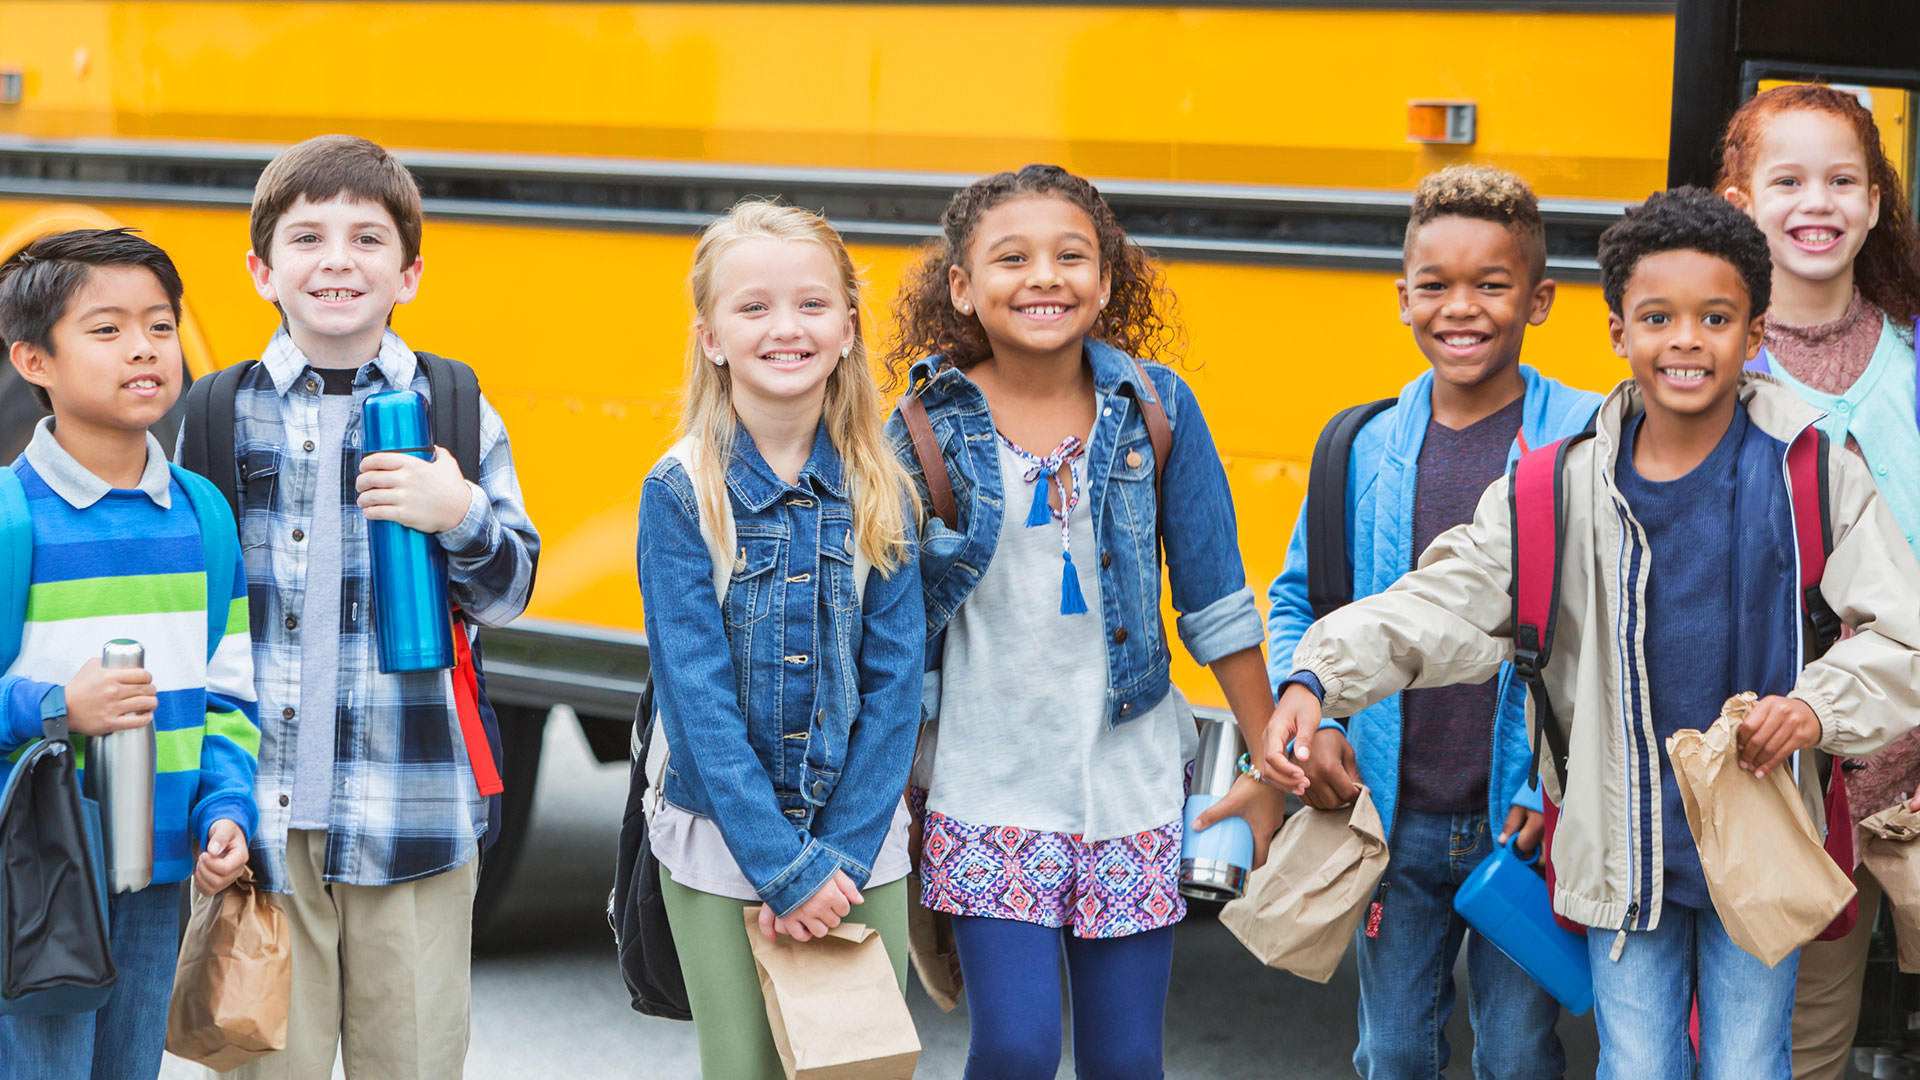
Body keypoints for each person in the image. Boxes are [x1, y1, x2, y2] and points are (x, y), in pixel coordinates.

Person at [1264, 187, 1920, 1079]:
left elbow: (1903, 633)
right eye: (1658, 317)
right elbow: (1441, 601)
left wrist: (1813, 709)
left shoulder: (1811, 471)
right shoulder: (1554, 486)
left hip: (1761, 841)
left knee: (1748, 1066)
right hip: (1615, 851)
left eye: (1715, 317)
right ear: (1618, 332)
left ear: (1755, 332)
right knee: (1638, 1066)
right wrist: (1316, 679)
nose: (1685, 339)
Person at [884, 163, 1301, 1080]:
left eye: (1071, 256)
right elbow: (886, 632)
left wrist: (1270, 768)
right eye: (1012, 258)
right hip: (986, 784)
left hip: (1130, 784)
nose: (1044, 277)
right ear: (961, 286)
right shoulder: (919, 430)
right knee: (1017, 1049)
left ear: (1107, 280)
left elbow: (1217, 601)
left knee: (1125, 1061)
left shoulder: (1156, 410)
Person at [179, 135, 539, 1078]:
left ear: (411, 272)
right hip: (259, 825)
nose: (337, 259)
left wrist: (458, 513)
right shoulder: (218, 413)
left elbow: (507, 594)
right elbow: (194, 624)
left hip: (415, 812)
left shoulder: (455, 406)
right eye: (307, 238)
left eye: (368, 239)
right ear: (261, 270)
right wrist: (197, 796)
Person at [1265, 164, 1599, 1080]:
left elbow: (1611, 629)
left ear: (1540, 299)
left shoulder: (1589, 438)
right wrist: (1322, 716)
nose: (1463, 308)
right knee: (1394, 1049)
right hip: (1392, 811)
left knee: (1521, 1051)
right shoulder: (1361, 445)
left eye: (1492, 285)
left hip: (1529, 821)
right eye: (1436, 286)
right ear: (1401, 297)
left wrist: (1555, 786)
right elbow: (1305, 598)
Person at [636, 199, 923, 1078]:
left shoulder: (887, 485)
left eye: (810, 304)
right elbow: (699, 705)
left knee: (859, 1066)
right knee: (746, 1069)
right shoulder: (682, 492)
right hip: (723, 843)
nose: (784, 327)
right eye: (752, 307)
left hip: (860, 844)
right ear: (711, 336)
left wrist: (834, 859)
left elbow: (896, 687)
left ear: (846, 328)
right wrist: (783, 870)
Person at [0, 228, 258, 1079]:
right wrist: (53, 708)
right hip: (37, 878)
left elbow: (230, 696)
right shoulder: (11, 519)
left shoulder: (205, 515)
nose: (144, 348)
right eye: (106, 330)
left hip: (159, 872)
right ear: (34, 360)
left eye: (159, 323)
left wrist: (227, 808)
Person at [1712, 84, 1920, 1080]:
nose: (1818, 202)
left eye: (1844, 180)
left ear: (1879, 201)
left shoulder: (1911, 360)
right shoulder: (1706, 369)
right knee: (1797, 1050)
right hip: (1788, 780)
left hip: (1912, 770)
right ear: (1739, 198)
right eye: (1787, 179)